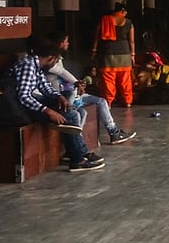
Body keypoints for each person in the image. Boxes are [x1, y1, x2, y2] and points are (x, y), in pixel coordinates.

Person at [13, 42, 105, 171]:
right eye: (55, 61)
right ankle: (78, 159)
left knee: (67, 98)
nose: (55, 65)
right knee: (71, 115)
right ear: (50, 58)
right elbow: (23, 96)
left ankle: (78, 153)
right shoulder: (28, 66)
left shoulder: (36, 65)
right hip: (22, 108)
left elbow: (45, 87)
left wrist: (59, 97)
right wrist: (49, 111)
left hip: (34, 101)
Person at [46, 31, 135, 145]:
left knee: (101, 101)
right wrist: (76, 83)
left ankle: (114, 133)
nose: (68, 44)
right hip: (63, 97)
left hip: (73, 94)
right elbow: (61, 73)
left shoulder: (59, 58)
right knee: (81, 113)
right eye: (66, 41)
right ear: (60, 43)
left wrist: (77, 84)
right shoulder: (49, 60)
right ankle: (78, 144)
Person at [91, 2, 136, 107]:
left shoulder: (104, 21)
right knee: (125, 79)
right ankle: (127, 101)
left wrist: (94, 51)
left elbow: (96, 38)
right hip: (125, 54)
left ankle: (108, 102)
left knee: (108, 79)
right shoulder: (129, 23)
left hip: (108, 53)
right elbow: (132, 41)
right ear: (122, 11)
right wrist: (133, 54)